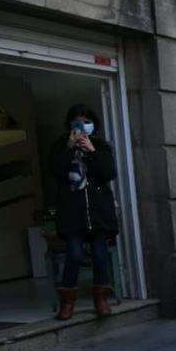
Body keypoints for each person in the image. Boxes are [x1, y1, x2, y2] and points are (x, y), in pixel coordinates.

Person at [49, 104, 119, 320]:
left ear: (93, 125)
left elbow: (108, 173)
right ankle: (67, 302)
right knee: (75, 254)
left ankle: (101, 299)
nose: (83, 126)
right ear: (71, 125)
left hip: (98, 211)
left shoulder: (101, 146)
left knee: (99, 254)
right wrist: (69, 148)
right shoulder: (60, 146)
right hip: (72, 211)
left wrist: (92, 151)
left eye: (87, 122)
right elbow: (56, 172)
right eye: (78, 122)